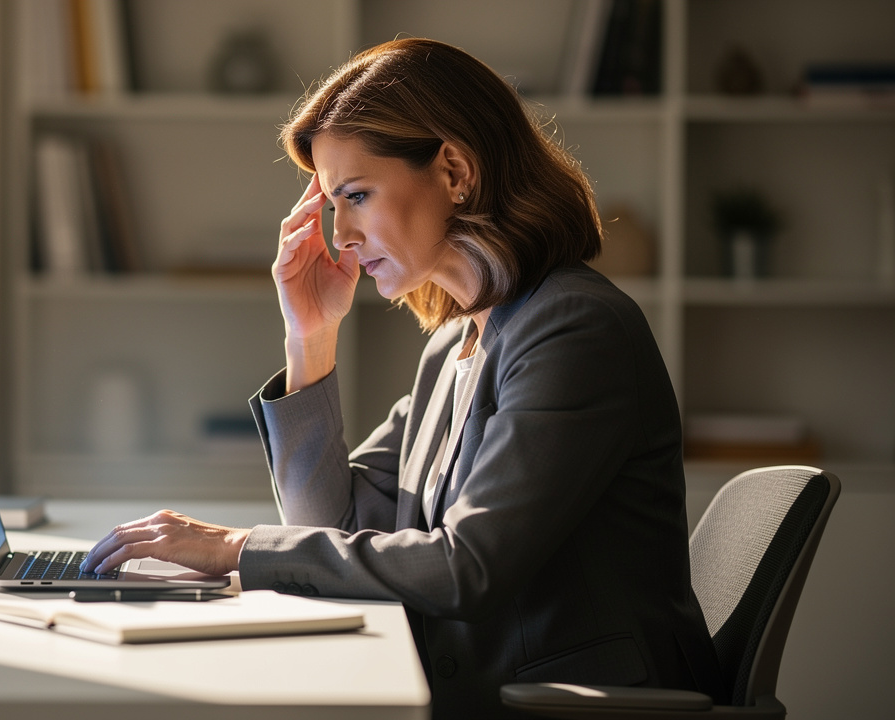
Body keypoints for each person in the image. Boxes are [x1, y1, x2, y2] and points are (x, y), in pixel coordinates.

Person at [81, 38, 726, 719]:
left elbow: (466, 568)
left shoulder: (574, 331)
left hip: (567, 706)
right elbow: (333, 523)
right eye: (333, 206)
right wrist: (312, 336)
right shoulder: (453, 344)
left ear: (453, 170)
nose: (343, 236)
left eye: (357, 196)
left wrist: (235, 548)